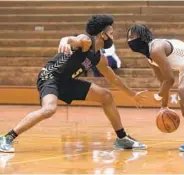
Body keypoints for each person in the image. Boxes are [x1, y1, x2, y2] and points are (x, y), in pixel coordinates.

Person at [0, 15, 147, 153]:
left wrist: (132, 94)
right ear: (103, 34)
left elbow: (114, 78)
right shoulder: (86, 41)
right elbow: (72, 39)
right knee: (49, 109)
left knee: (106, 96)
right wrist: (65, 41)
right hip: (50, 76)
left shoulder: (99, 58)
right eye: (112, 33)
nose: (113, 37)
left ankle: (122, 138)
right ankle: (6, 138)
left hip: (66, 81)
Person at [127, 24, 184, 152]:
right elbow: (163, 81)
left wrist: (158, 95)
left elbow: (170, 80)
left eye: (132, 36)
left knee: (183, 89)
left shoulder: (156, 49)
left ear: (143, 37)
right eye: (128, 37)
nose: (130, 40)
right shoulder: (150, 57)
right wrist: (164, 106)